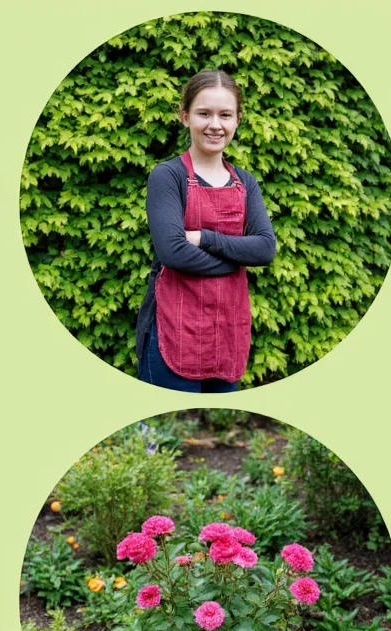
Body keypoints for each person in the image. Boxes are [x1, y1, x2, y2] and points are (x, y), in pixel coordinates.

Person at [136, 70, 277, 392]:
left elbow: (265, 248)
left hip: (228, 328)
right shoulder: (167, 177)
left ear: (237, 120)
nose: (215, 124)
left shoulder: (246, 182)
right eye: (204, 113)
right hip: (173, 328)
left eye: (225, 115)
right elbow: (172, 253)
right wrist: (236, 259)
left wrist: (204, 238)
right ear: (185, 117)